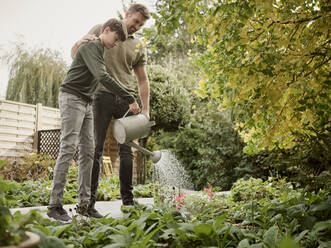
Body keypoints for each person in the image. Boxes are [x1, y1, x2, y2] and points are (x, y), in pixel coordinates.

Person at [48, 18, 140, 221]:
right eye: (115, 39)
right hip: (72, 97)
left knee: (89, 152)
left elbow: (103, 75)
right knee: (68, 148)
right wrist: (130, 97)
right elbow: (103, 77)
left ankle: (84, 205)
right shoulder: (91, 47)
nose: (116, 45)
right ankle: (55, 205)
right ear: (106, 30)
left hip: (87, 102)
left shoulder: (100, 50)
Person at [71, 3, 151, 218]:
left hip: (127, 100)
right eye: (135, 22)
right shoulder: (102, 28)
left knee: (127, 151)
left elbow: (142, 80)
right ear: (127, 15)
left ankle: (128, 202)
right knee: (95, 149)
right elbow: (76, 54)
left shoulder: (138, 46)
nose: (136, 27)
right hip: (101, 96)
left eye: (140, 25)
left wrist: (146, 109)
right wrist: (79, 42)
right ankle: (89, 203)